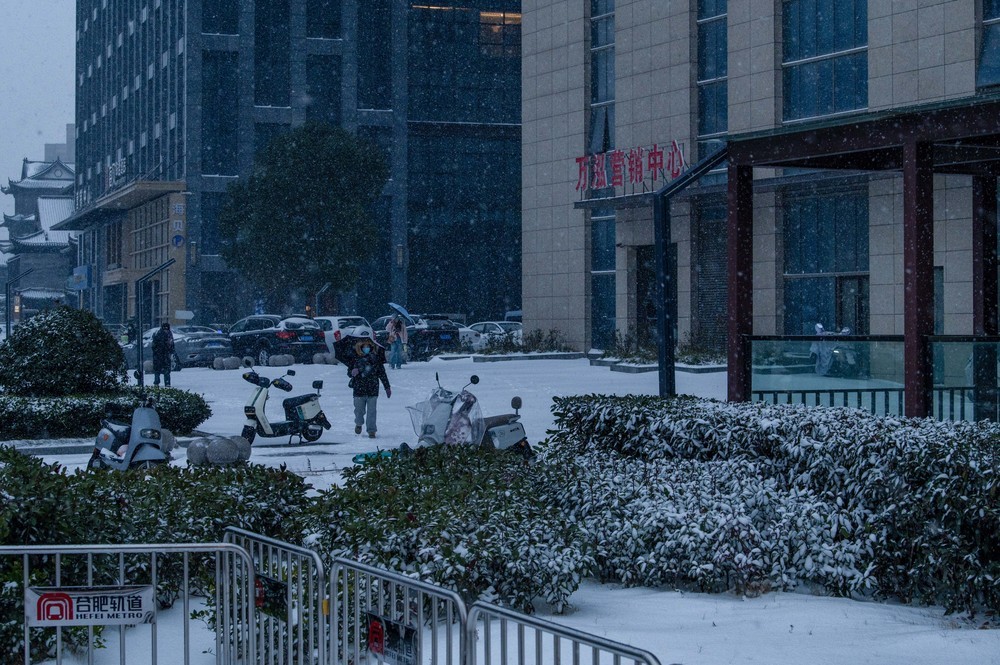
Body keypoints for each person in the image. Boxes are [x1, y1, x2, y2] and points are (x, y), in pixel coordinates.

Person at [346, 336, 391, 438]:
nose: (366, 348)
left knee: (372, 412)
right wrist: (352, 372)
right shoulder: (355, 359)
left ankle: (371, 430)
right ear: (360, 347)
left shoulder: (376, 359)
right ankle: (358, 423)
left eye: (368, 346)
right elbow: (349, 373)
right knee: (359, 410)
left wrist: (387, 387)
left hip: (372, 389)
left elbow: (382, 374)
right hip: (359, 389)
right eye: (364, 346)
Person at [151, 322, 175, 387]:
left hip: (161, 355)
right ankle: (164, 383)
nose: (166, 330)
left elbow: (171, 345)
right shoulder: (164, 335)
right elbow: (171, 345)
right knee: (161, 370)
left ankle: (160, 382)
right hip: (161, 355)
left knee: (160, 370)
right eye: (165, 328)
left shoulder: (162, 334)